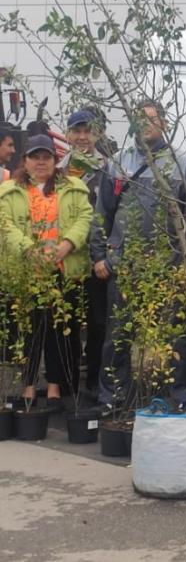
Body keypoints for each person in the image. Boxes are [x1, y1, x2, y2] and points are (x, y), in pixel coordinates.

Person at [91, 101, 186, 410]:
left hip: (167, 268)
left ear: (165, 124)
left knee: (177, 337)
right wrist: (100, 255)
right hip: (124, 266)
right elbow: (103, 214)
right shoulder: (116, 164)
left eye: (152, 120)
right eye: (139, 120)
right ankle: (113, 397)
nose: (145, 125)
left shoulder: (183, 164)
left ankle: (180, 397)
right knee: (118, 337)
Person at [0, 134, 92, 408]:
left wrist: (67, 244)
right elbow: (5, 225)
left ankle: (54, 388)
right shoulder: (9, 190)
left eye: (46, 157)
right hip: (27, 273)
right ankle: (28, 387)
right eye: (35, 157)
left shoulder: (73, 188)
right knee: (29, 332)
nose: (41, 163)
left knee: (60, 332)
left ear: (55, 160)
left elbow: (85, 218)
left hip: (64, 272)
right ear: (25, 161)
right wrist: (30, 250)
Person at [59, 108, 110, 394]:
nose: (82, 137)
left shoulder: (110, 169)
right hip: (66, 259)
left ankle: (93, 382)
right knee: (65, 320)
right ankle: (66, 384)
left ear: (97, 133)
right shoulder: (58, 171)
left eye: (87, 131)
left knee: (98, 323)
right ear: (67, 135)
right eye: (76, 131)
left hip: (96, 260)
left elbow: (114, 214)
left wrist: (105, 253)